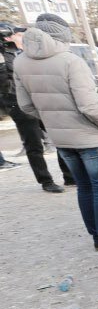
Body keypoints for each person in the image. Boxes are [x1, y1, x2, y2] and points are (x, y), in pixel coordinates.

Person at [14, 14, 98, 262]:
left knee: (84, 187)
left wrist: (51, 121)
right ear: (61, 36)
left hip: (60, 137)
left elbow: (26, 106)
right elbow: (89, 107)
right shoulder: (71, 61)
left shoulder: (21, 62)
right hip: (88, 136)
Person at [1, 21, 74, 192]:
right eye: (19, 34)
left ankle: (69, 176)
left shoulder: (27, 53)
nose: (23, 37)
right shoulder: (5, 56)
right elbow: (5, 84)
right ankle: (46, 181)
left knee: (58, 137)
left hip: (39, 99)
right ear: (10, 37)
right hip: (16, 102)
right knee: (34, 144)